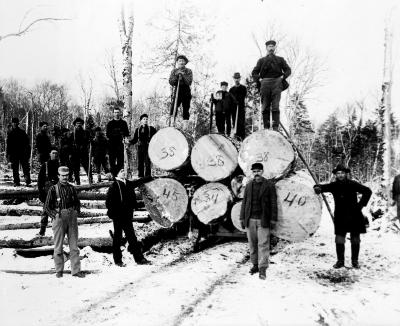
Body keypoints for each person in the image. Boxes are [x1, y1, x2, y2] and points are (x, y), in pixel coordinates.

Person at [314, 164, 372, 269]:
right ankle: (340, 261)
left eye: (342, 173)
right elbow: (322, 187)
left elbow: (368, 191)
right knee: (339, 239)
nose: (340, 175)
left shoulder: (353, 184)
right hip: (340, 216)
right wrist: (317, 188)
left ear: (346, 174)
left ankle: (355, 261)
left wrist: (360, 205)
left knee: (355, 239)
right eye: (338, 173)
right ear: (336, 175)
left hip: (354, 215)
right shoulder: (334, 185)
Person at [44, 166, 84, 278]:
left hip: (71, 218)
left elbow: (77, 202)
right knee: (58, 246)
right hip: (59, 218)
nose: (65, 177)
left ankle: (76, 271)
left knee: (74, 246)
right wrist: (55, 216)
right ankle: (59, 270)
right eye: (62, 175)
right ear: (58, 176)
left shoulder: (72, 188)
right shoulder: (53, 189)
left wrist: (76, 211)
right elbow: (47, 207)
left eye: (66, 175)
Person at [240, 162, 277, 280]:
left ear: (262, 171)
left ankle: (262, 268)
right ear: (252, 173)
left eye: (259, 171)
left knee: (263, 244)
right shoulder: (249, 185)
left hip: (263, 220)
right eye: (254, 171)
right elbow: (244, 203)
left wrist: (273, 219)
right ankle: (255, 265)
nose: (257, 174)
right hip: (250, 219)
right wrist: (242, 217)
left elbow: (273, 203)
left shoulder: (269, 185)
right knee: (252, 244)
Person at [106, 169, 151, 266]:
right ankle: (118, 260)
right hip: (118, 216)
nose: (124, 172)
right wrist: (113, 214)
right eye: (121, 171)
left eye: (124, 171)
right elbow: (109, 202)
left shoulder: (128, 183)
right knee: (117, 237)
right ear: (117, 174)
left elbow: (139, 181)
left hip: (127, 215)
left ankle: (139, 259)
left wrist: (150, 177)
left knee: (132, 237)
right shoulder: (114, 186)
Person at [251, 40, 291, 130]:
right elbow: (254, 72)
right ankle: (266, 126)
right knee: (265, 105)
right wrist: (260, 79)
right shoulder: (261, 61)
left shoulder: (280, 59)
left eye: (273, 46)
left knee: (275, 105)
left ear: (275, 48)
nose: (271, 48)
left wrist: (282, 77)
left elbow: (288, 70)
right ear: (266, 48)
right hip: (265, 83)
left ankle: (275, 127)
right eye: (269, 46)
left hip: (277, 83)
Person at [37, 149, 60, 236]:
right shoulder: (45, 165)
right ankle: (42, 231)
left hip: (57, 193)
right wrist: (41, 192)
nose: (55, 155)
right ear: (50, 154)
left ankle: (57, 231)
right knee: (45, 211)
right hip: (46, 194)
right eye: (53, 153)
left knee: (57, 212)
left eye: (56, 153)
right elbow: (40, 181)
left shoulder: (59, 166)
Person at [169, 54, 193, 129]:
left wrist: (182, 75)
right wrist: (176, 76)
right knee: (174, 107)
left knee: (186, 108)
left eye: (183, 61)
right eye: (180, 61)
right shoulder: (174, 71)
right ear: (177, 62)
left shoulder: (188, 71)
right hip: (177, 90)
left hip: (186, 90)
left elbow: (189, 82)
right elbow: (171, 82)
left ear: (185, 62)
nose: (181, 62)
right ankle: (172, 124)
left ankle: (185, 127)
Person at [6, 117, 31, 187]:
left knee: (25, 168)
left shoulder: (22, 132)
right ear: (12, 123)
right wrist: (8, 156)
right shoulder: (10, 134)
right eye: (13, 123)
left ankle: (27, 181)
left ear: (18, 123)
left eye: (15, 123)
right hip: (14, 154)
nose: (14, 124)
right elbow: (9, 146)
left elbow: (27, 144)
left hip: (23, 154)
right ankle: (16, 182)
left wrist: (27, 153)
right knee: (15, 169)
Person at [106, 107, 130, 177]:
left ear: (120, 113)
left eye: (118, 112)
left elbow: (126, 134)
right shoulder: (110, 124)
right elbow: (108, 134)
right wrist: (116, 134)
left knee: (120, 162)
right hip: (112, 146)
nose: (116, 114)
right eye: (115, 112)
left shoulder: (123, 123)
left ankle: (119, 177)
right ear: (113, 113)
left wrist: (126, 143)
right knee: (112, 163)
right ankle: (114, 177)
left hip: (120, 146)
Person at [67, 117, 91, 185]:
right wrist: (70, 153)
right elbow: (69, 144)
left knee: (88, 167)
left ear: (82, 124)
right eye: (77, 123)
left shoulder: (86, 133)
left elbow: (89, 142)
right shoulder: (72, 134)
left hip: (84, 153)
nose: (79, 125)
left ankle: (90, 181)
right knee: (76, 169)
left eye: (80, 123)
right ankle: (78, 182)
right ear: (75, 124)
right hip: (75, 153)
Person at [229, 72, 247, 139]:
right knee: (235, 123)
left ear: (240, 79)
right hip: (234, 109)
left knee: (241, 124)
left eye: (238, 78)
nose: (237, 80)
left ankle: (242, 138)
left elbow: (243, 96)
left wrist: (238, 101)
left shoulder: (243, 88)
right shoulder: (231, 89)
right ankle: (236, 138)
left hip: (241, 108)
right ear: (233, 79)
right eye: (235, 78)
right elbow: (230, 99)